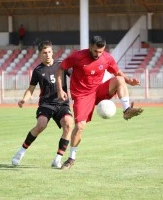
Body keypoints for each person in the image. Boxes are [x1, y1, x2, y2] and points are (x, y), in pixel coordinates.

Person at [56, 36, 144, 170]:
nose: (98, 54)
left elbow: (117, 71)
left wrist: (128, 80)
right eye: (96, 51)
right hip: (82, 96)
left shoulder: (107, 58)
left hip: (98, 90)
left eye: (101, 52)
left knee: (119, 79)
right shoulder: (78, 56)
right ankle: (71, 158)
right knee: (79, 127)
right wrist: (60, 89)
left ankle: (126, 111)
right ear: (90, 46)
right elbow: (60, 68)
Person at [11, 40, 73, 168]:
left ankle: (58, 158)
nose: (48, 55)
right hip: (46, 104)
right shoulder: (38, 71)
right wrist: (24, 99)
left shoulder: (62, 65)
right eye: (44, 53)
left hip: (62, 103)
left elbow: (76, 76)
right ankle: (21, 151)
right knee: (41, 125)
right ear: (40, 54)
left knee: (68, 124)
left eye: (49, 52)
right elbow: (31, 89)